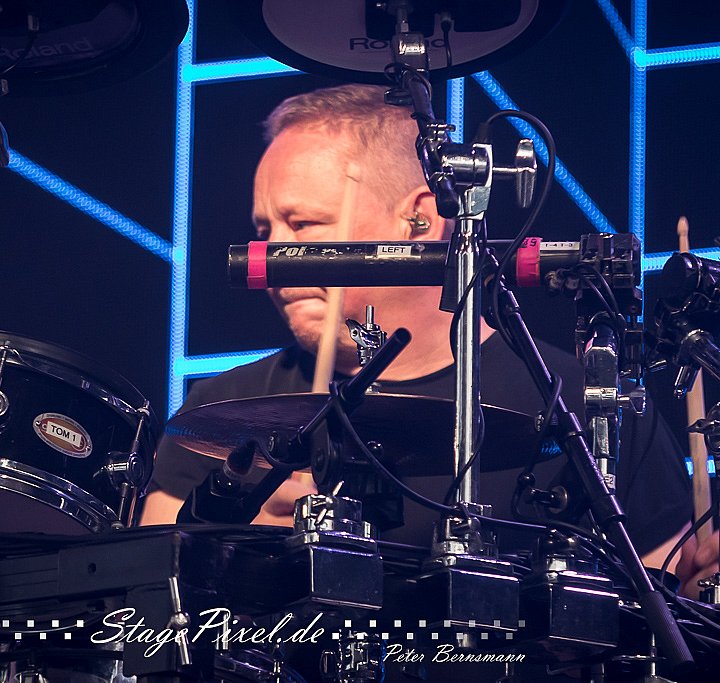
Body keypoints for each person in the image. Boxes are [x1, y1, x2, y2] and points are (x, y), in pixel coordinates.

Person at [140, 84, 718, 598]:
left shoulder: (584, 404)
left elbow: (660, 620)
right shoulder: (219, 413)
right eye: (266, 230)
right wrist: (234, 556)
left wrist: (698, 598)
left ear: (418, 219)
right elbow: (146, 604)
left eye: (304, 225)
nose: (274, 258)